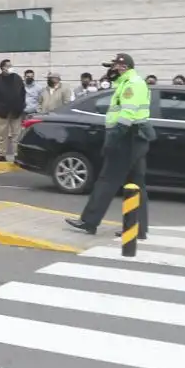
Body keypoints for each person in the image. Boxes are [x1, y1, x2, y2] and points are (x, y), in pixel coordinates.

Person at [67, 53, 153, 237]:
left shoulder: (131, 84)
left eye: (113, 67)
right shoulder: (128, 82)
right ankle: (137, 229)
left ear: (123, 67)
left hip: (127, 137)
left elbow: (127, 115)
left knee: (107, 180)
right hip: (135, 138)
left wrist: (113, 139)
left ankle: (89, 221)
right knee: (136, 184)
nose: (110, 71)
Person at [0, 59, 26, 161]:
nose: (10, 67)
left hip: (16, 111)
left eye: (11, 65)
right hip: (2, 112)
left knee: (16, 134)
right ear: (3, 68)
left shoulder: (17, 78)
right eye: (8, 66)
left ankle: (17, 154)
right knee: (2, 134)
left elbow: (23, 93)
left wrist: (21, 106)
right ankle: (2, 154)